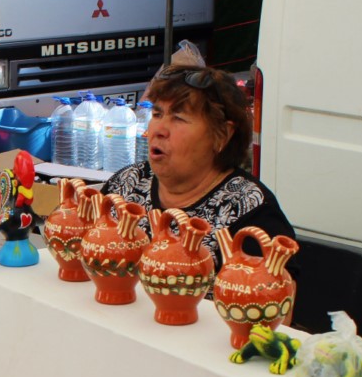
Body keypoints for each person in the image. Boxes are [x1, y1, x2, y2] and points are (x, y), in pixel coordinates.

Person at [102, 64, 298, 274]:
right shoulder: (127, 184)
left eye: (178, 118)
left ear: (222, 134)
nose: (158, 130)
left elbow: (270, 298)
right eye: (157, 115)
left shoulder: (251, 212)